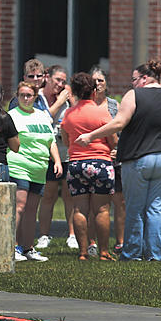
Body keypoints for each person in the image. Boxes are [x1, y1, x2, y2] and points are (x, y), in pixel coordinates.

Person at [76, 60, 161, 261]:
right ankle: (155, 254)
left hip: (138, 159)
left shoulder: (134, 95)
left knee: (135, 208)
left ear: (144, 78)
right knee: (156, 208)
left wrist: (91, 136)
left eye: (134, 79)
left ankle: (132, 253)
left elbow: (119, 122)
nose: (133, 83)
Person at [61, 72, 117, 260]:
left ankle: (83, 252)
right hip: (100, 162)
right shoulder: (102, 112)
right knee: (102, 209)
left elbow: (66, 140)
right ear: (93, 91)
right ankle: (103, 251)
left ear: (75, 92)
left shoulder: (69, 114)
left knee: (79, 209)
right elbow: (113, 140)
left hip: (76, 163)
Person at [8, 80, 62, 262]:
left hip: (39, 169)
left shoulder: (41, 116)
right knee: (20, 207)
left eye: (29, 95)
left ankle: (28, 248)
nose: (25, 98)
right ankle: (12, 247)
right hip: (19, 166)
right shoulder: (12, 116)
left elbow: (51, 141)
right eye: (21, 95)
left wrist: (57, 161)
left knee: (32, 210)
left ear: (35, 97)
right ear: (17, 96)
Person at [36, 65, 76, 251]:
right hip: (47, 154)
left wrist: (71, 98)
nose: (60, 84)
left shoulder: (67, 98)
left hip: (66, 152)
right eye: (57, 80)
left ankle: (72, 235)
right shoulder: (39, 97)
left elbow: (78, 115)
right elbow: (44, 119)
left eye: (63, 81)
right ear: (47, 78)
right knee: (49, 195)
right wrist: (60, 101)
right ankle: (44, 235)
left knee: (70, 195)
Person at [90, 66, 125, 256]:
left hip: (113, 160)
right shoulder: (85, 105)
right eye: (94, 80)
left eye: (101, 80)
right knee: (94, 204)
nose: (97, 84)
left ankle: (120, 242)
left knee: (120, 202)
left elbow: (121, 132)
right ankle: (92, 243)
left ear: (107, 83)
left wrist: (117, 151)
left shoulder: (114, 106)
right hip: (93, 159)